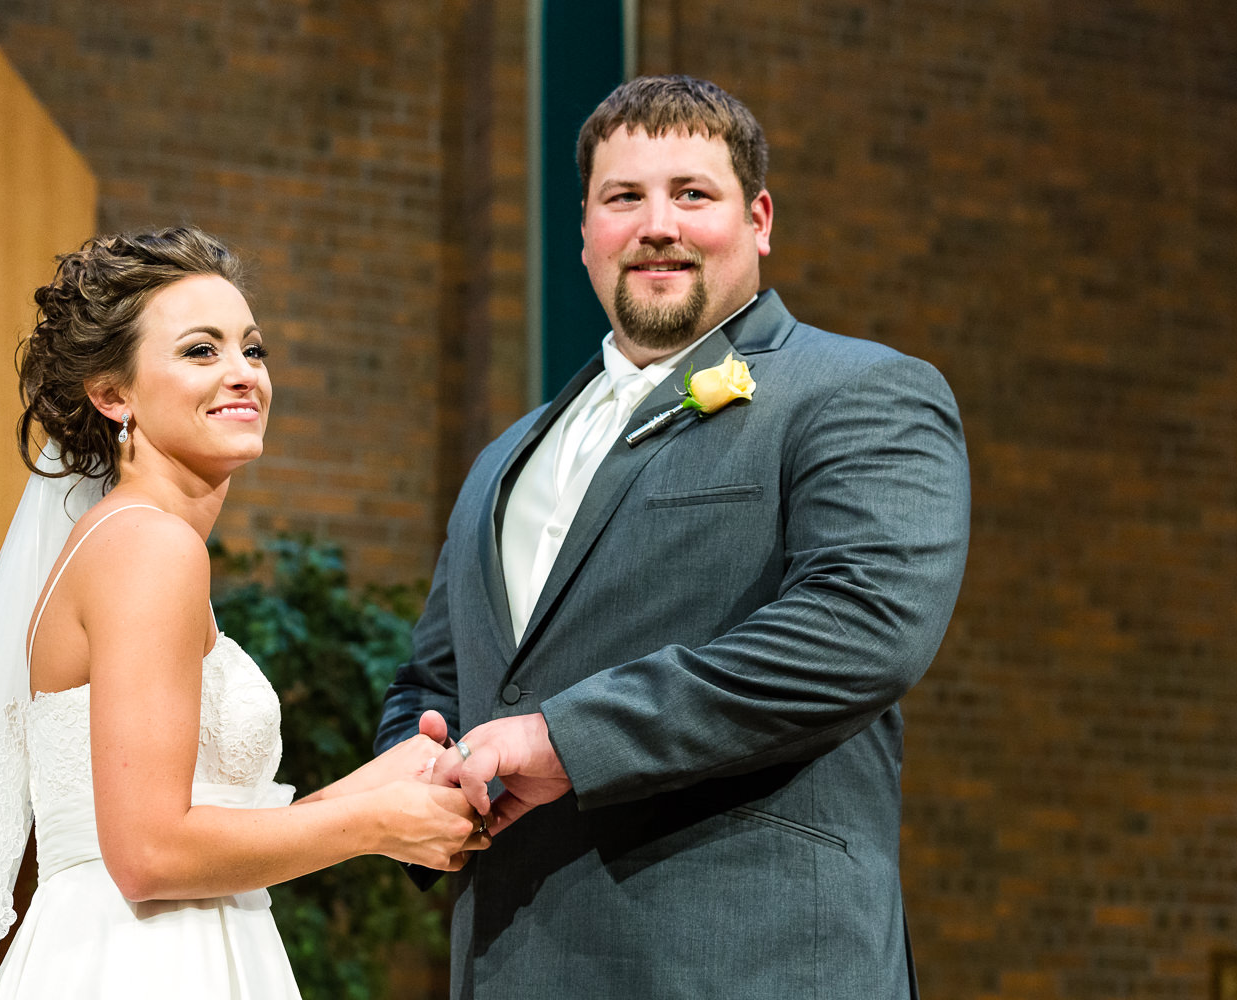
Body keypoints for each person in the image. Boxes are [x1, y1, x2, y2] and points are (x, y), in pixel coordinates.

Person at [375, 76, 970, 997]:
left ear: (759, 218)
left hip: (743, 955)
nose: (658, 225)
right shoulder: (502, 460)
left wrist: (563, 740)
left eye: (692, 194)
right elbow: (435, 680)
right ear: (583, 234)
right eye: (625, 198)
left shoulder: (856, 392)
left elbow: (859, 629)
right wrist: (407, 783)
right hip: (512, 962)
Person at [0, 226, 488, 999]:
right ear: (113, 393)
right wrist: (377, 827)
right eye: (200, 351)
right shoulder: (149, 546)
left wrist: (376, 786)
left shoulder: (133, 541)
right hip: (141, 964)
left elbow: (195, 826)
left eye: (252, 350)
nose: (242, 375)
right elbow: (151, 854)